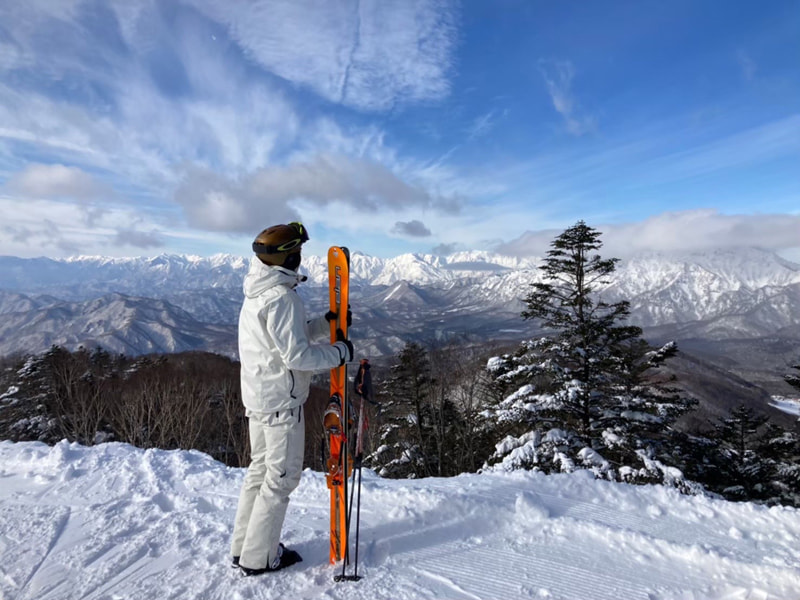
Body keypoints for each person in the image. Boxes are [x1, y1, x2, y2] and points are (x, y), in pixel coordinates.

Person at [230, 222, 353, 576]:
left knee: (260, 472)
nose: (301, 259)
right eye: (298, 252)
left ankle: (245, 548)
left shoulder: (258, 291)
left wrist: (323, 324)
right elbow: (297, 356)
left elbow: (281, 338)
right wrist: (339, 353)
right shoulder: (281, 297)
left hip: (259, 398)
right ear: (290, 256)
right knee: (281, 479)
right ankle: (258, 558)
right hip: (281, 403)